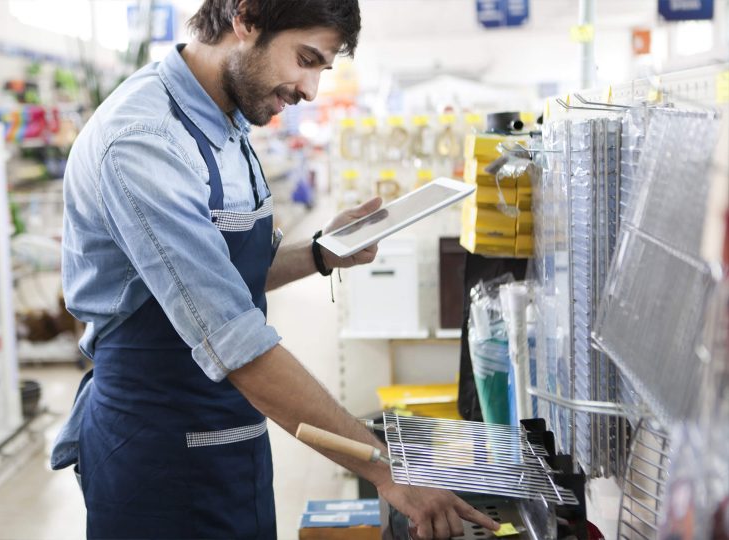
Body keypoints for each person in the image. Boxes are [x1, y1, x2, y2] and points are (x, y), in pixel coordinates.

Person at [56, 0, 500, 538]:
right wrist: (385, 470)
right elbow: (230, 334)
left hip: (232, 436)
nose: (311, 90)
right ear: (245, 20)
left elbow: (216, 278)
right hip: (156, 454)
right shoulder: (145, 141)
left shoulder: (226, 123)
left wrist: (319, 254)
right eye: (306, 59)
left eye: (322, 69)